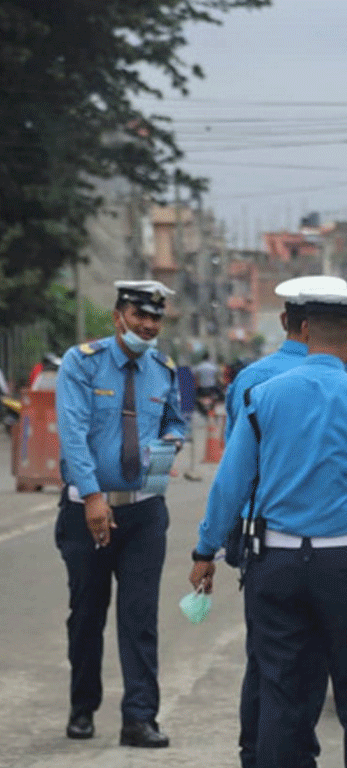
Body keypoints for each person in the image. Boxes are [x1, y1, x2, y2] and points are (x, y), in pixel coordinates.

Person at [189, 280, 347, 768]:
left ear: (304, 333)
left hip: (277, 564)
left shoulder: (262, 397)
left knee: (282, 696)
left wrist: (206, 551)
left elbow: (231, 486)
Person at [221, 275, 347, 768]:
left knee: (267, 657)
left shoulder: (252, 378)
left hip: (261, 538)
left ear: (286, 322)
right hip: (333, 543)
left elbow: (235, 471)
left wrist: (212, 543)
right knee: (309, 660)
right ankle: (296, 753)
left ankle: (255, 752)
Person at [54, 280, 186, 748]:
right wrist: (92, 497)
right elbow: (72, 433)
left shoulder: (166, 369)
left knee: (140, 616)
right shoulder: (82, 363)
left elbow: (176, 420)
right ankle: (82, 706)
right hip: (85, 510)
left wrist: (170, 445)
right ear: (118, 317)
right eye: (139, 315)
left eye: (155, 318)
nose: (148, 325)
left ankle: (139, 718)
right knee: (87, 615)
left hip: (144, 514)